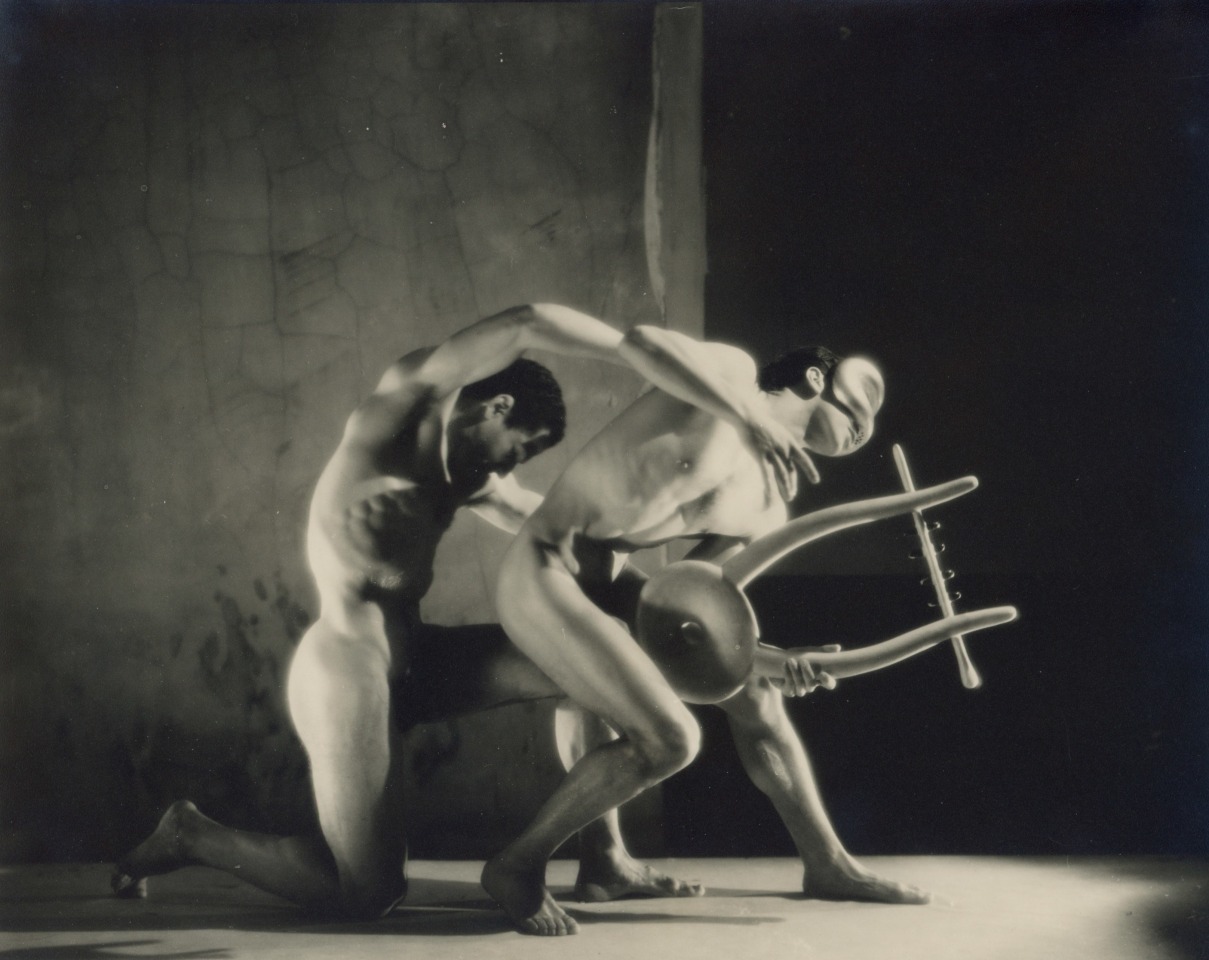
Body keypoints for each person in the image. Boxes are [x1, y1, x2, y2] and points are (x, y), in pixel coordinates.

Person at [111, 304, 703, 919]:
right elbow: (526, 320)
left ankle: (604, 857)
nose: (508, 468)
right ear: (496, 407)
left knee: (589, 666)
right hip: (348, 664)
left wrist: (679, 606)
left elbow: (568, 542)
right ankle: (194, 835)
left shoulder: (472, 478)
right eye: (516, 451)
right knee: (369, 893)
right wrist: (640, 354)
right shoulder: (398, 411)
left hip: (421, 657)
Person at [482, 326, 973, 935]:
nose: (861, 430)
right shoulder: (729, 374)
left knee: (758, 695)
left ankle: (826, 863)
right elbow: (637, 342)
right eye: (855, 415)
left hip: (616, 583)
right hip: (546, 565)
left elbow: (696, 613)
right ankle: (516, 865)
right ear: (814, 380)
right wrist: (749, 415)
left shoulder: (770, 504)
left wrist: (775, 660)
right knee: (668, 738)